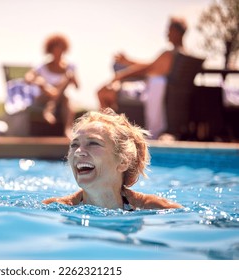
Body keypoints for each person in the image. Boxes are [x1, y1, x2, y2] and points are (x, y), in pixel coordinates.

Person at [43, 108, 183, 210]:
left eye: (93, 143)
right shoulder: (54, 208)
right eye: (74, 145)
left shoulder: (158, 209)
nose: (79, 152)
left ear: (123, 161)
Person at [97, 16, 188, 139]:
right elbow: (152, 65)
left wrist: (119, 76)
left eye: (169, 30)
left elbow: (148, 69)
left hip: (147, 93)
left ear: (177, 32)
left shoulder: (169, 54)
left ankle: (107, 134)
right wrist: (128, 61)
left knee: (103, 93)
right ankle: (113, 131)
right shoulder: (182, 54)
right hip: (164, 95)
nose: (166, 34)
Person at [24, 33, 79, 137]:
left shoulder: (69, 67)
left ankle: (66, 128)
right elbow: (29, 77)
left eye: (61, 48)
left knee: (66, 89)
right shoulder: (42, 67)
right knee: (48, 85)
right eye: (55, 48)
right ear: (50, 49)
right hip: (44, 97)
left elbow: (77, 86)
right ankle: (50, 108)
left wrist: (71, 77)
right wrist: (38, 81)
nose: (58, 51)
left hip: (61, 99)